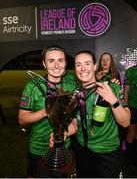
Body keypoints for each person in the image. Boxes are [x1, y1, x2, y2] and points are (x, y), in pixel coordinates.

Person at [66, 50, 131, 178]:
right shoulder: (75, 93)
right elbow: (75, 124)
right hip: (83, 152)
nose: (83, 68)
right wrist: (63, 133)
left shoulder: (111, 87)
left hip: (107, 152)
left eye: (87, 63)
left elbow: (126, 122)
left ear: (95, 66)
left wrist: (113, 100)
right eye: (78, 64)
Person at [18, 45, 77, 177]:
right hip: (38, 147)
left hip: (64, 147)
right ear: (44, 63)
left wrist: (65, 133)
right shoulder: (32, 86)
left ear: (66, 63)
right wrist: (47, 111)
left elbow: (75, 120)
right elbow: (22, 119)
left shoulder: (72, 84)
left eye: (60, 60)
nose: (56, 65)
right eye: (51, 61)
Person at [124, 65, 137, 169]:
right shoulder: (131, 71)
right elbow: (126, 91)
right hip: (133, 106)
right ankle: (129, 160)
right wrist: (126, 106)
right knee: (131, 132)